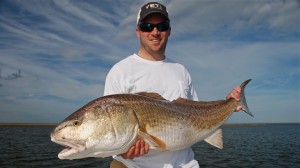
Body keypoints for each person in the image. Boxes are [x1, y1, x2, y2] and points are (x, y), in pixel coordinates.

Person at [104, 2, 242, 168]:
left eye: (162, 26)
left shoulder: (181, 70)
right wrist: (121, 151)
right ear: (138, 31)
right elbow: (110, 130)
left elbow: (198, 113)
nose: (155, 32)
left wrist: (227, 104)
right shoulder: (120, 71)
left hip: (185, 164)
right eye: (147, 26)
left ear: (169, 30)